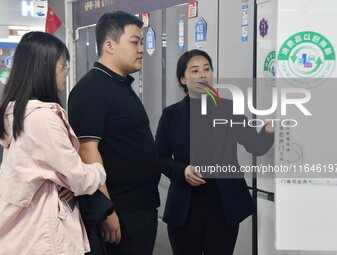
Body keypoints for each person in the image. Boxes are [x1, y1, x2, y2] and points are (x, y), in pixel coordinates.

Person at [155, 49, 274, 255]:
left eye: (207, 69)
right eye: (194, 70)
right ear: (183, 79)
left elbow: (255, 145)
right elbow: (159, 158)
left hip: (223, 207)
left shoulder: (229, 109)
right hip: (185, 207)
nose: (203, 74)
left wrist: (269, 129)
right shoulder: (171, 115)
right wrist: (183, 171)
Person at [0, 32, 106, 255]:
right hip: (44, 236)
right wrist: (98, 170)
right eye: (62, 66)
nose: (66, 73)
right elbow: (77, 177)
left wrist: (62, 181)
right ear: (44, 68)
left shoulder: (17, 112)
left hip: (24, 233)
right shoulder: (41, 118)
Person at [68, 11, 161, 255]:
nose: (141, 49)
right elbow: (88, 151)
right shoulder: (91, 90)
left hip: (140, 208)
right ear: (109, 45)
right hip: (120, 212)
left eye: (141, 42)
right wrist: (106, 211)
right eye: (134, 42)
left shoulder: (120, 84)